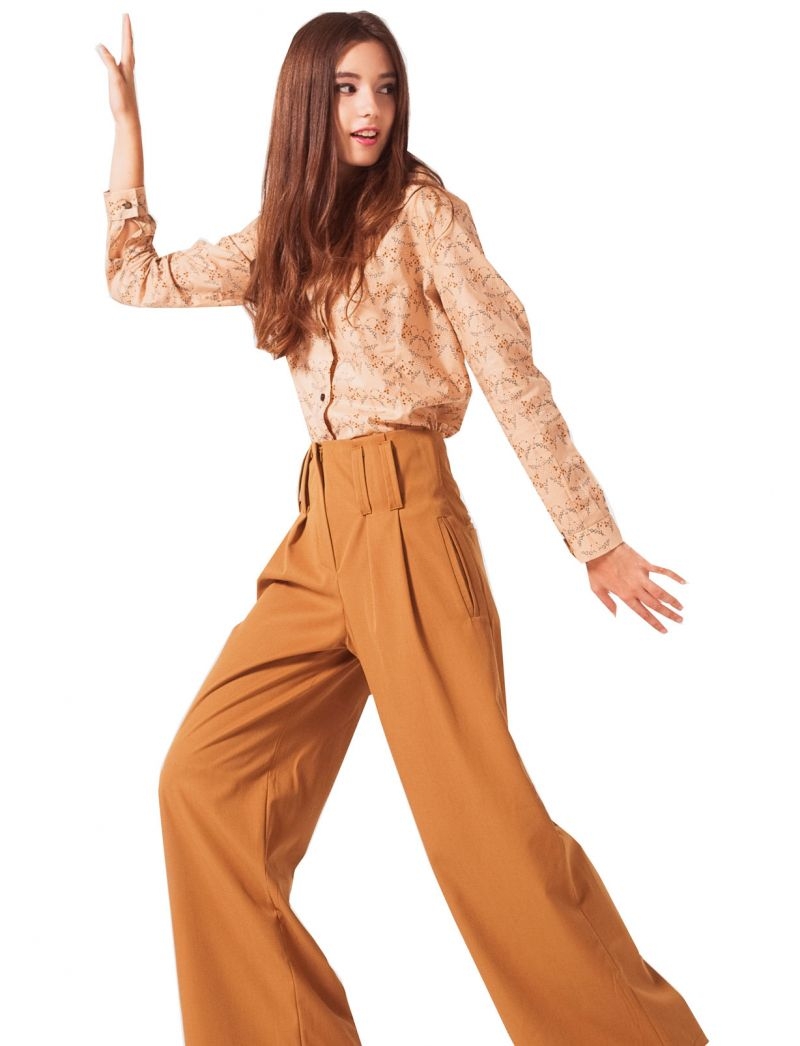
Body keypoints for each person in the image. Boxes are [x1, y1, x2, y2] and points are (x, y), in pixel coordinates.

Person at [96, 10, 708, 1045]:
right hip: (318, 536)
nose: (370, 108)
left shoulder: (425, 214)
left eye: (383, 86)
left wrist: (592, 537)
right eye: (345, 89)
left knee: (484, 834)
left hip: (409, 526)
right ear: (307, 101)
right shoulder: (287, 228)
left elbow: (509, 373)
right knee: (202, 784)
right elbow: (135, 279)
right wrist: (127, 129)